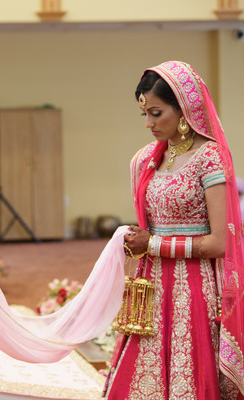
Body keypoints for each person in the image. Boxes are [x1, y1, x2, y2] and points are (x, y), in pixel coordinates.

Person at [107, 61, 244, 399]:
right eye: (145, 115)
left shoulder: (209, 158)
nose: (149, 124)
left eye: (156, 113)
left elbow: (218, 243)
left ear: (184, 109)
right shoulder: (145, 160)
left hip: (193, 287)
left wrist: (152, 244)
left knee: (189, 372)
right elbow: (147, 225)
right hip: (150, 283)